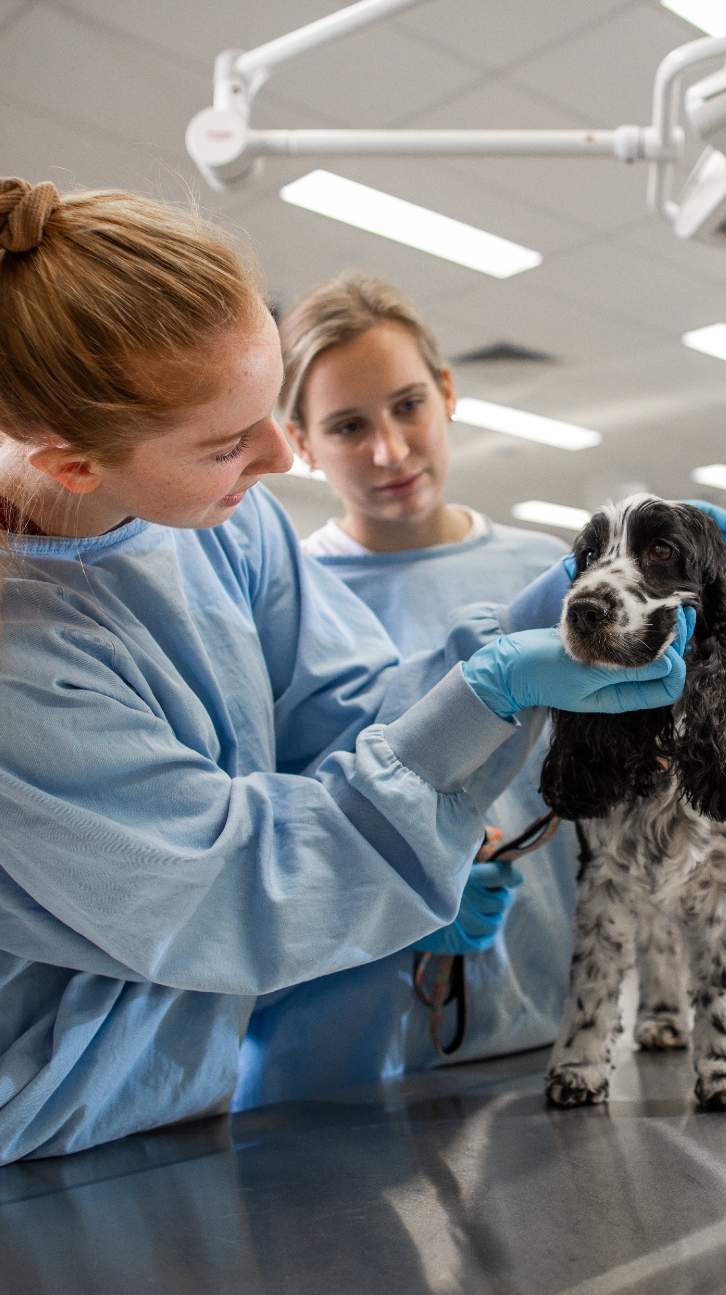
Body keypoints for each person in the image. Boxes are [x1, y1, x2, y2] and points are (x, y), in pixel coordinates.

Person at [0, 171, 708, 1206]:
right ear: (72, 463)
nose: (278, 453)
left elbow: (349, 714)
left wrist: (538, 620)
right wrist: (473, 716)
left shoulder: (218, 517)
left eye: (267, 413)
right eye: (227, 441)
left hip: (164, 1119)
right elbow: (231, 884)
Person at [232, 274, 579, 1104]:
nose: (389, 450)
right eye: (348, 426)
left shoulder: (548, 577)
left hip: (547, 1008)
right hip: (337, 1050)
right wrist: (403, 887)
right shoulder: (285, 595)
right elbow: (270, 814)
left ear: (448, 392)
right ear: (300, 442)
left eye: (408, 406)